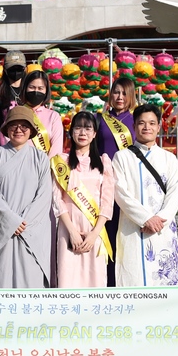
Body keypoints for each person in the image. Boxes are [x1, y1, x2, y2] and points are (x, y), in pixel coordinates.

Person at [0, 106, 53, 288]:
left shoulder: (41, 158)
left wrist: (23, 222)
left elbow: (44, 196)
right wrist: (10, 221)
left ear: (32, 130)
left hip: (30, 231)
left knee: (30, 281)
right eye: (14, 125)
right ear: (6, 128)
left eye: (24, 126)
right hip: (2, 230)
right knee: (2, 280)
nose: (19, 129)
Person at [111, 104, 178, 287]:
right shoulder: (122, 157)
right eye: (141, 123)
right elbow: (120, 192)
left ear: (159, 127)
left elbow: (175, 193)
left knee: (165, 280)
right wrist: (145, 218)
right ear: (134, 127)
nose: (147, 127)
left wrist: (160, 219)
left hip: (162, 228)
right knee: (133, 277)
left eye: (152, 123)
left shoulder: (169, 158)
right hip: (134, 228)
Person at [52, 111, 115, 288]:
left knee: (95, 281)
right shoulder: (61, 162)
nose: (82, 132)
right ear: (71, 132)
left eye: (88, 128)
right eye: (78, 128)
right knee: (67, 280)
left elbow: (107, 201)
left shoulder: (104, 162)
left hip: (95, 230)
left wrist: (94, 234)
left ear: (94, 134)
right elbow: (57, 198)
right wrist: (72, 232)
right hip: (68, 229)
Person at [96, 76, 136, 286]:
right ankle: (106, 280)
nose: (120, 97)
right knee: (107, 230)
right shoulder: (100, 119)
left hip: (128, 183)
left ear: (131, 96)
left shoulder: (136, 120)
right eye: (116, 92)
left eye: (124, 93)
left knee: (125, 232)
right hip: (104, 183)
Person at [15, 69, 64, 157]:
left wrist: (46, 164)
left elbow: (57, 146)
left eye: (40, 88)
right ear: (25, 88)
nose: (36, 91)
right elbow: (7, 139)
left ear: (46, 91)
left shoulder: (53, 116)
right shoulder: (16, 112)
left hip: (45, 163)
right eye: (32, 87)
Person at [0, 50, 26, 145]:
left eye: (19, 68)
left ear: (24, 69)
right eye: (12, 68)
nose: (16, 71)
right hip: (3, 145)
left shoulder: (29, 91)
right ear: (5, 69)